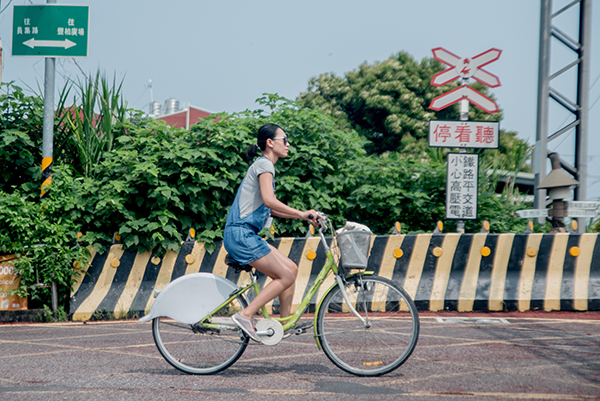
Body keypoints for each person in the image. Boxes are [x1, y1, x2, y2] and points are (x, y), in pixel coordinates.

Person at [223, 123, 320, 342]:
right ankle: (244, 315)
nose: (288, 145)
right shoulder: (264, 165)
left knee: (291, 269)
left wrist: (304, 215)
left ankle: (283, 324)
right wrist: (302, 214)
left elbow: (271, 209)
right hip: (241, 235)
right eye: (284, 140)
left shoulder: (264, 166)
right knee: (284, 275)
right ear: (270, 142)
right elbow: (269, 200)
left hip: (246, 235)